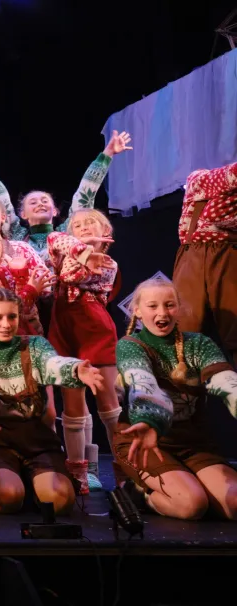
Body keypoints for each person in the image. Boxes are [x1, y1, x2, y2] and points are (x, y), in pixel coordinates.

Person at [0, 288, 105, 514]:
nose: (6, 324)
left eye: (12, 316)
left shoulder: (35, 346)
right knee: (7, 498)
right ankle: (10, 483)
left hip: (37, 442)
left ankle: (33, 482)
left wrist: (75, 369)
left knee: (61, 501)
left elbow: (51, 364)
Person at [113, 278, 237, 520]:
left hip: (193, 443)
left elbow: (223, 378)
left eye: (169, 305)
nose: (162, 313)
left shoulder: (199, 343)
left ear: (178, 308)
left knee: (234, 505)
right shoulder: (130, 345)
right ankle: (136, 492)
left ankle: (191, 483)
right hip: (146, 442)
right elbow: (143, 383)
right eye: (153, 306)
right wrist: (150, 421)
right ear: (137, 311)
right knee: (192, 505)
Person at [0, 131, 131, 262]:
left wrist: (106, 155)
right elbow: (1, 202)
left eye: (45, 201)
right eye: (33, 202)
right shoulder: (16, 234)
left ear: (55, 211)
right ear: (23, 214)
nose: (40, 204)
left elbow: (86, 191)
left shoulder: (68, 230)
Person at [46, 211, 121, 493]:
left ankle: (126, 468)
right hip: (63, 331)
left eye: (91, 222)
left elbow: (69, 275)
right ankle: (78, 470)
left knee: (108, 403)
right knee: (73, 403)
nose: (83, 226)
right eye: (77, 224)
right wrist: (81, 249)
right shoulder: (64, 250)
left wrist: (87, 254)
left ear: (107, 230)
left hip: (94, 330)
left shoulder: (109, 263)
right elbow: (54, 238)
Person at [173, 156, 237, 356]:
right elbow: (214, 214)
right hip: (194, 256)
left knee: (234, 328)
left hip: (229, 257)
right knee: (187, 329)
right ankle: (185, 384)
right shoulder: (198, 178)